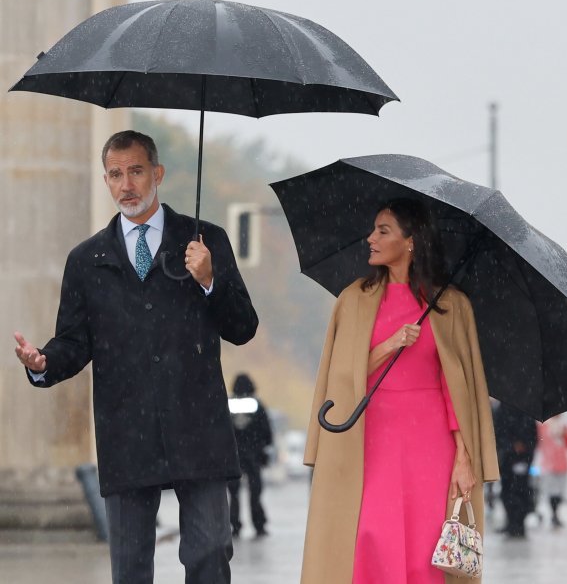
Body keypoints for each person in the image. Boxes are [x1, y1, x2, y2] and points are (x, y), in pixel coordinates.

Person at [13, 130, 258, 584]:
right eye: (116, 173)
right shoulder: (86, 260)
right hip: (125, 430)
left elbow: (243, 328)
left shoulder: (205, 243)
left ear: (158, 174)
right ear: (106, 180)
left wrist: (210, 281)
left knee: (209, 554)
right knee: (129, 570)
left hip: (198, 427)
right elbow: (74, 342)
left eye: (137, 171)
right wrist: (44, 363)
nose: (127, 184)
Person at [300, 198, 499, 584]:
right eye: (373, 229)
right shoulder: (352, 300)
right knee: (370, 535)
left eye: (383, 230)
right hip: (371, 436)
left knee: (427, 546)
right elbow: (342, 377)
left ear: (411, 241)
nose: (371, 238)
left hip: (433, 442)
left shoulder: (451, 305)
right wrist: (390, 345)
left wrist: (464, 456)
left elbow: (457, 387)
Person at [227, 372, 273, 538]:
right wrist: (263, 446)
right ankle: (258, 524)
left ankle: (235, 525)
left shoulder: (229, 404)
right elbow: (266, 430)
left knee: (234, 494)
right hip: (253, 454)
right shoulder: (256, 404)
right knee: (255, 493)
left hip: (234, 455)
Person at [494, 403, 538, 538]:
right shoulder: (503, 410)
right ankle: (512, 523)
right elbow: (498, 433)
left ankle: (518, 523)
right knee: (509, 492)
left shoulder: (527, 410)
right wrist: (511, 446)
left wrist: (524, 446)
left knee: (520, 492)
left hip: (521, 460)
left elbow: (532, 436)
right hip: (508, 460)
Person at [536, 414, 567, 527]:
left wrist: (565, 435)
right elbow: (539, 442)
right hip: (549, 464)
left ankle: (556, 513)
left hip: (562, 464)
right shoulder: (543, 426)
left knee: (559, 491)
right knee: (551, 491)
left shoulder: (564, 427)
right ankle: (553, 513)